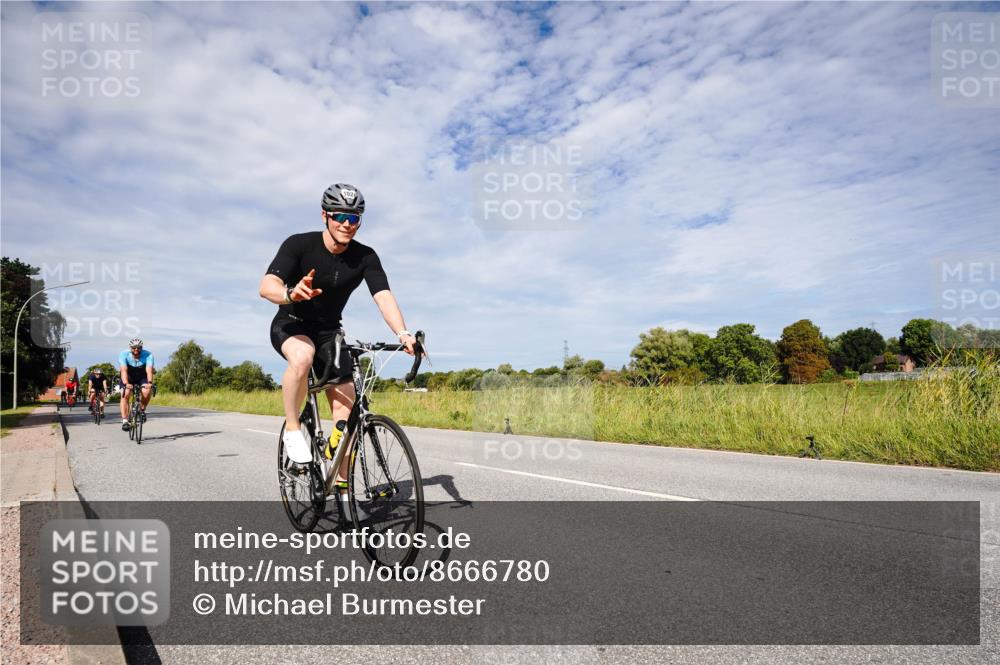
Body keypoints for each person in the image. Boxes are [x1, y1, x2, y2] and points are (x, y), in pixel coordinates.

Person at [258, 183, 417, 492]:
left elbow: (383, 295)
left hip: (330, 332)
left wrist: (403, 333)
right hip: (291, 322)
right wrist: (290, 293)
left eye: (354, 218)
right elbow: (267, 286)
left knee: (347, 412)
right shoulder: (299, 245)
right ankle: (293, 428)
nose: (347, 224)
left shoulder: (366, 256)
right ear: (325, 216)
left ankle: (341, 484)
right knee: (302, 356)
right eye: (340, 216)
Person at [119, 338, 155, 430]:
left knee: (147, 391)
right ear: (130, 347)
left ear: (141, 347)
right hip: (128, 376)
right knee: (125, 393)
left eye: (139, 348)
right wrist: (126, 383)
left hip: (142, 376)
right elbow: (123, 370)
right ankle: (125, 421)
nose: (136, 350)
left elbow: (149, 370)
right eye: (134, 348)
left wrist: (150, 383)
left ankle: (142, 410)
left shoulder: (148, 355)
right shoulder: (123, 354)